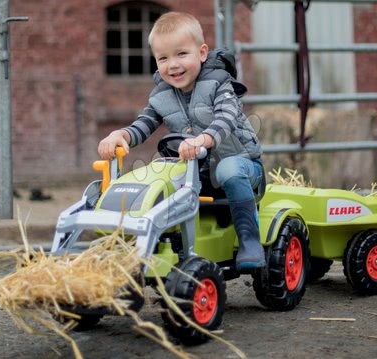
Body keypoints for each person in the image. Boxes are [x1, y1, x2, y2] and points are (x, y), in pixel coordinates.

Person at [97, 11, 265, 272]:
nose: (172, 64)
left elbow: (226, 118)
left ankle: (249, 240)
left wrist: (203, 139)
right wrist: (121, 135)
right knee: (156, 176)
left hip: (242, 167)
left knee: (228, 168)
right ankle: (149, 244)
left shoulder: (220, 84)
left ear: (202, 52)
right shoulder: (162, 96)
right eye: (163, 58)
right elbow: (145, 123)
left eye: (181, 54)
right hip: (195, 174)